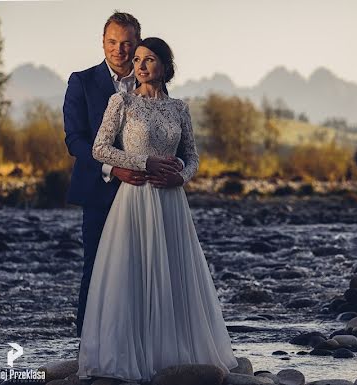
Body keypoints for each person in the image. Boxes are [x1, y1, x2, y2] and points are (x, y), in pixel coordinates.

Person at [76, 37, 239, 382]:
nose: (140, 66)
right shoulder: (120, 102)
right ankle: (131, 354)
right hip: (135, 199)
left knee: (173, 275)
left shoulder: (179, 108)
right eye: (137, 60)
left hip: (170, 202)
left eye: (149, 60)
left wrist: (183, 177)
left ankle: (173, 356)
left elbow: (193, 156)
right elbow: (99, 149)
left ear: (165, 66)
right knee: (133, 273)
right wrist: (143, 161)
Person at [63, 11, 184, 339]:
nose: (119, 49)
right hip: (100, 189)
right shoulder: (82, 81)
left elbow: (173, 143)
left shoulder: (153, 83)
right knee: (99, 267)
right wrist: (115, 167)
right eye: (112, 42)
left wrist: (180, 174)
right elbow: (75, 140)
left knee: (148, 268)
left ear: (138, 43)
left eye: (127, 42)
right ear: (102, 42)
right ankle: (89, 345)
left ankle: (141, 340)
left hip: (150, 194)